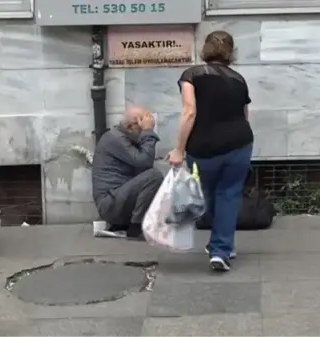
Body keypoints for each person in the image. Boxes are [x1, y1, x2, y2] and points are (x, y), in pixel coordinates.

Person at [166, 30, 254, 272]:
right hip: (239, 144)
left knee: (210, 193)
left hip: (203, 148)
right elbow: (244, 116)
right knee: (228, 194)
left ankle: (221, 247)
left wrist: (178, 150)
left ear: (205, 49)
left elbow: (189, 112)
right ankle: (222, 248)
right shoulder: (238, 79)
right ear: (231, 52)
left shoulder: (191, 75)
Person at [91, 105, 164, 240]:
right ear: (130, 127)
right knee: (154, 176)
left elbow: (142, 170)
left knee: (152, 178)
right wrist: (148, 132)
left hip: (117, 200)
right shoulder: (114, 138)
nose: (148, 129)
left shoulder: (128, 137)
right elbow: (145, 162)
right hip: (110, 205)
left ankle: (132, 224)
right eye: (142, 126)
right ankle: (135, 227)